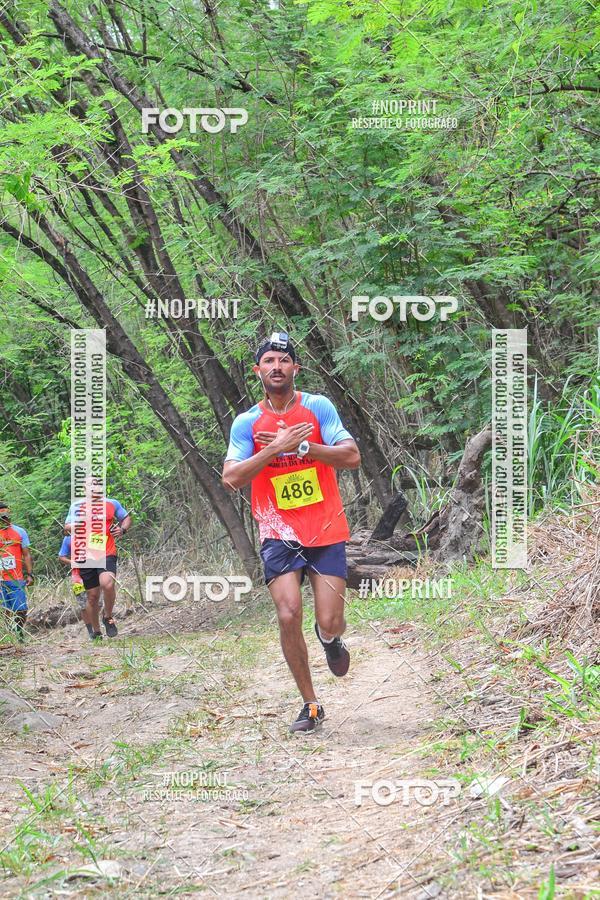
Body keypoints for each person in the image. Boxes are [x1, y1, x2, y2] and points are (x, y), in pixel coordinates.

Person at [222, 331, 361, 733]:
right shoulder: (247, 422)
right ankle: (311, 704)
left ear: (295, 368)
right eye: (269, 361)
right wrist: (272, 449)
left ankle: (330, 639)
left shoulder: (318, 407)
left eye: (284, 360)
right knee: (287, 614)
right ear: (258, 370)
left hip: (325, 527)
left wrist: (303, 449)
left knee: (330, 619)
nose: (277, 367)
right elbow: (231, 477)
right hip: (278, 531)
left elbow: (351, 456)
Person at [63, 477, 131, 640]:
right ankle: (96, 632)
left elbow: (126, 517)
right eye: (90, 484)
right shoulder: (76, 506)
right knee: (92, 597)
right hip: (85, 555)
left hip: (106, 551)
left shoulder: (111, 503)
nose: (94, 487)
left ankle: (108, 617)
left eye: (97, 484)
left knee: (107, 584)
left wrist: (122, 530)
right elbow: (66, 527)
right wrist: (77, 525)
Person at [0, 501, 34, 641]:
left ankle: (19, 631)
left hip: (16, 578)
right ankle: (9, 636)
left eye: (6, 515)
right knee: (5, 610)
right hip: (1, 579)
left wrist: (30, 574)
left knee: (21, 609)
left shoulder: (19, 532)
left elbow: (26, 554)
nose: (5, 518)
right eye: (2, 516)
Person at [58, 534, 95, 640]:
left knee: (96, 602)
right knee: (83, 606)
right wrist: (72, 562)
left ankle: (98, 627)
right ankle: (90, 632)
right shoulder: (68, 538)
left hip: (93, 573)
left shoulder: (94, 532)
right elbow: (61, 557)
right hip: (77, 578)